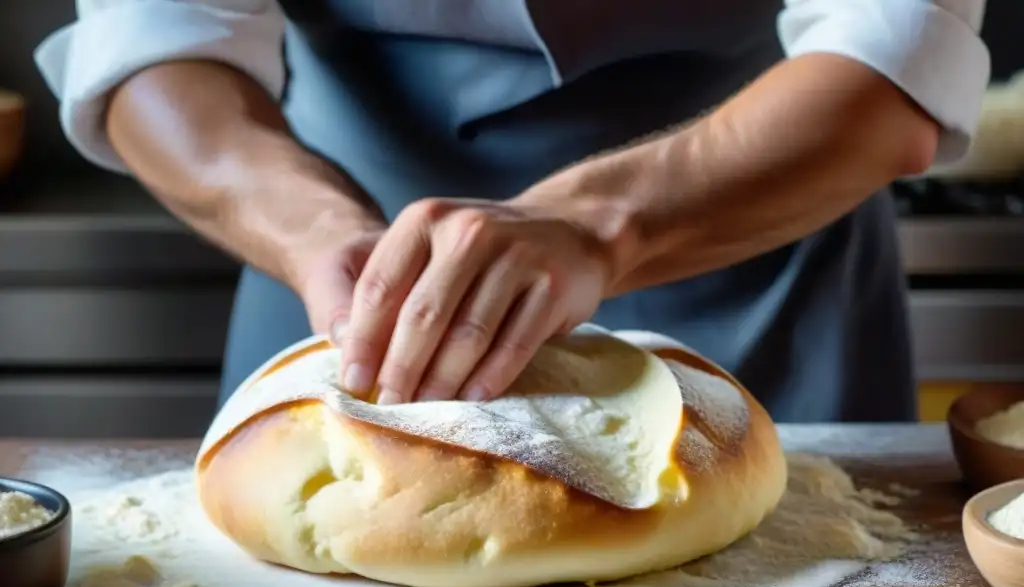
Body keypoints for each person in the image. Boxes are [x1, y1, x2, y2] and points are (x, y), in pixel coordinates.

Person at [35, 1, 990, 422]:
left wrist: (595, 224)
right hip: (349, 278)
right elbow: (152, 40)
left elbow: (894, 54)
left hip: (750, 228)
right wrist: (314, 231)